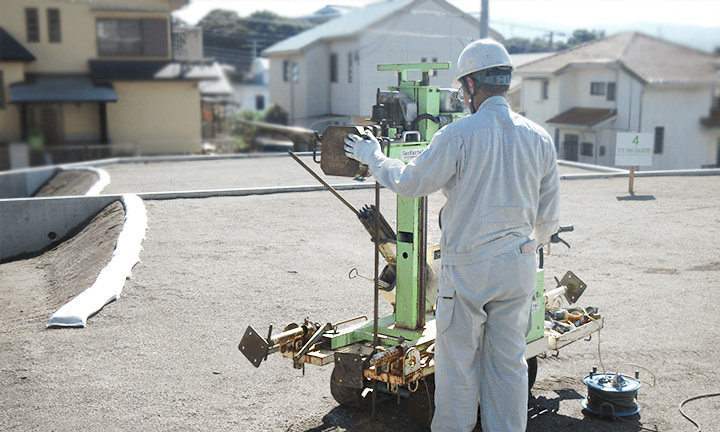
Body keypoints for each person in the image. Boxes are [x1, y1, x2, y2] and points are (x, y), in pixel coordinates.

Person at [343, 39, 560, 432]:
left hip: (470, 269)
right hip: (520, 265)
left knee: (458, 369)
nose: (460, 96)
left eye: (462, 88)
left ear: (472, 86)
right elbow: (548, 221)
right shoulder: (539, 138)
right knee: (509, 367)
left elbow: (410, 182)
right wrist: (528, 247)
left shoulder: (459, 135)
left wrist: (372, 156)